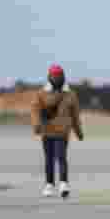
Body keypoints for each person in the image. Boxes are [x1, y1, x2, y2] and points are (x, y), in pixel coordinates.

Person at [31, 64, 83, 198]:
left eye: (58, 75)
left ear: (63, 76)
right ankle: (49, 185)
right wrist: (37, 125)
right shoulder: (41, 93)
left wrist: (78, 131)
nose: (56, 78)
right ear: (49, 77)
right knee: (49, 159)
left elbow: (75, 115)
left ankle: (63, 184)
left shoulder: (70, 94)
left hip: (61, 132)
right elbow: (35, 110)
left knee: (61, 157)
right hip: (47, 131)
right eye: (54, 75)